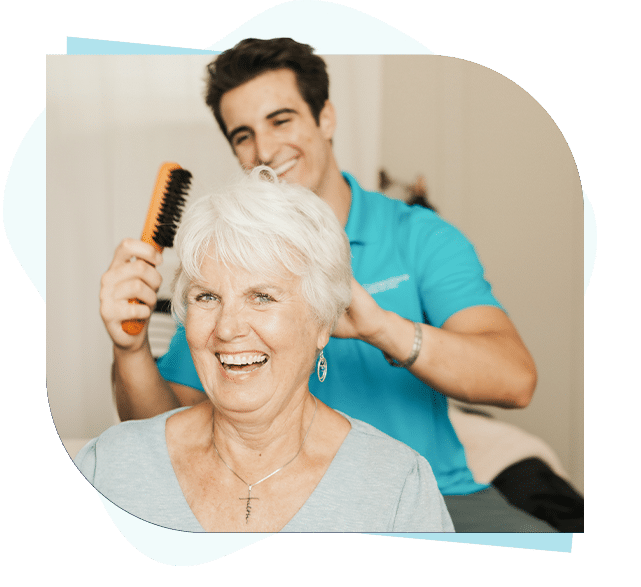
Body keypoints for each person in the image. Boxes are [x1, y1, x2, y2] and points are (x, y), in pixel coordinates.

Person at [99, 38, 554, 531]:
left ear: (327, 118)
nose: (266, 150)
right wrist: (130, 349)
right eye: (243, 135)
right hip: (288, 500)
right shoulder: (234, 266)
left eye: (282, 119)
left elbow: (515, 380)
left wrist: (381, 327)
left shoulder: (417, 238)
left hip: (438, 494)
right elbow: (162, 432)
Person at [82, 168, 454, 533]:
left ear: (322, 323)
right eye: (207, 296)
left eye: (262, 297)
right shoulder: (110, 464)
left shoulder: (397, 488)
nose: (227, 328)